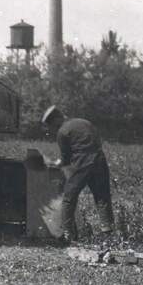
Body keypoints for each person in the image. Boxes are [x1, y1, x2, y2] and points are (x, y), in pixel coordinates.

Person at [41, 105, 121, 244]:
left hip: (83, 164)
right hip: (100, 161)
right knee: (102, 197)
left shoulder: (62, 132)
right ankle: (108, 233)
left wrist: (57, 164)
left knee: (69, 198)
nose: (52, 129)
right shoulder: (84, 122)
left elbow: (66, 158)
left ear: (55, 121)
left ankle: (68, 234)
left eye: (51, 125)